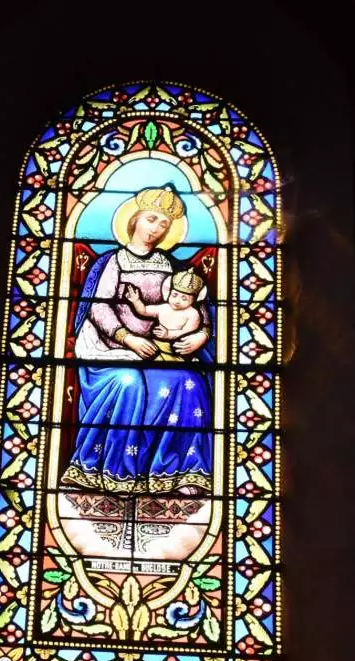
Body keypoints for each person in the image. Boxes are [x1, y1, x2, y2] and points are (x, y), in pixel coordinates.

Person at [61, 184, 213, 496]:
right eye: (151, 219)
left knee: (190, 382)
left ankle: (176, 472)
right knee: (129, 383)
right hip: (110, 352)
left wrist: (200, 335)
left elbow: (195, 307)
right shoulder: (112, 262)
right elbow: (98, 307)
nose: (156, 229)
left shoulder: (171, 266)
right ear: (134, 219)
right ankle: (110, 471)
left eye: (164, 224)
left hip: (159, 353)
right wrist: (128, 338)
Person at [124, 268, 206, 362]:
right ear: (169, 293)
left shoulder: (193, 314)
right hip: (156, 346)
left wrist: (168, 334)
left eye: (184, 298)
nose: (177, 301)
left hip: (177, 350)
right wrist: (136, 301)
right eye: (174, 295)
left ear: (193, 300)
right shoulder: (164, 307)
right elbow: (144, 311)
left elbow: (187, 333)